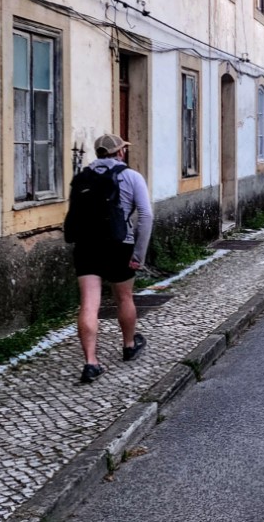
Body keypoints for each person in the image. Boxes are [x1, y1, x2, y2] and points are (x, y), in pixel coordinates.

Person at [68, 134, 153, 383]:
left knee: (88, 304)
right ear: (121, 152)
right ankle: (129, 345)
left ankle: (90, 362)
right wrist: (139, 254)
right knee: (124, 297)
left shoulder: (83, 177)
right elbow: (146, 216)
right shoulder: (132, 176)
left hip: (86, 246)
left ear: (98, 153)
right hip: (119, 245)